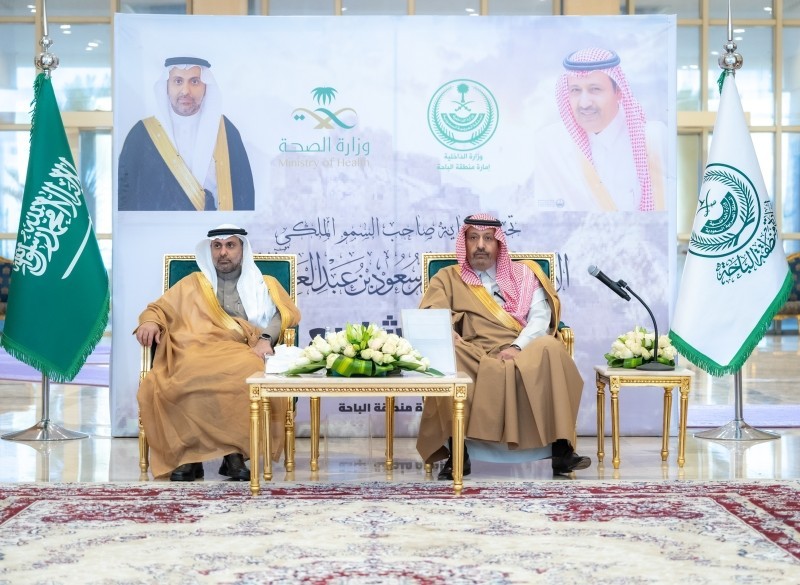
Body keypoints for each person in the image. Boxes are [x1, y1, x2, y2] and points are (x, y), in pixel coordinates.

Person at [416, 213, 589, 479]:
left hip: (522, 349)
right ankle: (458, 453)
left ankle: (561, 450)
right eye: (473, 238)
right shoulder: (447, 277)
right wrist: (446, 333)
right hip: (474, 353)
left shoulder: (525, 275)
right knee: (448, 354)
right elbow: (431, 313)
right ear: (464, 242)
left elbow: (540, 318)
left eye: (488, 238)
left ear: (499, 244)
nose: (480, 245)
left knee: (550, 347)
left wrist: (517, 347)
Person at [135, 224, 301, 481]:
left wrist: (266, 339)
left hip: (240, 348)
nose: (223, 252)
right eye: (217, 246)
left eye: (230, 245)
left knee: (247, 371)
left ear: (242, 249)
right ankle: (189, 456)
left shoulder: (264, 283)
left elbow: (285, 314)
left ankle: (234, 454)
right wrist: (149, 322)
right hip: (193, 348)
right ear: (210, 250)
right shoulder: (193, 283)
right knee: (186, 372)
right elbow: (158, 309)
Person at [533, 47, 666, 212]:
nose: (584, 103)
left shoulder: (652, 139)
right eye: (575, 90)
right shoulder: (550, 144)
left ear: (618, 91)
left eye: (595, 89)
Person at [118, 56, 255, 211]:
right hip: (158, 227)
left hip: (215, 226)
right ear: (166, 86)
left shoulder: (225, 131)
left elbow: (245, 195)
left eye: (194, 81)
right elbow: (124, 197)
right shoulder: (142, 134)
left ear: (206, 87)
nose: (185, 91)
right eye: (178, 81)